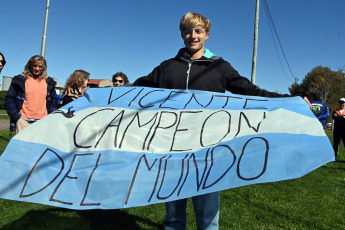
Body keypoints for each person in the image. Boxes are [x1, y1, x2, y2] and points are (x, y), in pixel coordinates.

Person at [133, 12, 310, 230]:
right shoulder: (167, 67)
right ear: (182, 35)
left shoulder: (220, 67)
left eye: (198, 31)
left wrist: (289, 99)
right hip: (172, 150)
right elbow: (137, 89)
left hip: (208, 151)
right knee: (173, 216)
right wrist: (100, 97)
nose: (193, 36)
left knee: (208, 216)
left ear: (207, 35)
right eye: (188, 31)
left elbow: (250, 90)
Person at [5, 55, 58, 135]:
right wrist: (16, 116)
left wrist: (50, 117)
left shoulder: (49, 82)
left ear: (44, 67)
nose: (37, 69)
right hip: (23, 121)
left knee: (39, 147)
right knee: (21, 147)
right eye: (35, 66)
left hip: (42, 122)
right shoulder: (20, 80)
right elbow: (9, 99)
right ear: (29, 66)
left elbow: (53, 101)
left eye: (40, 66)